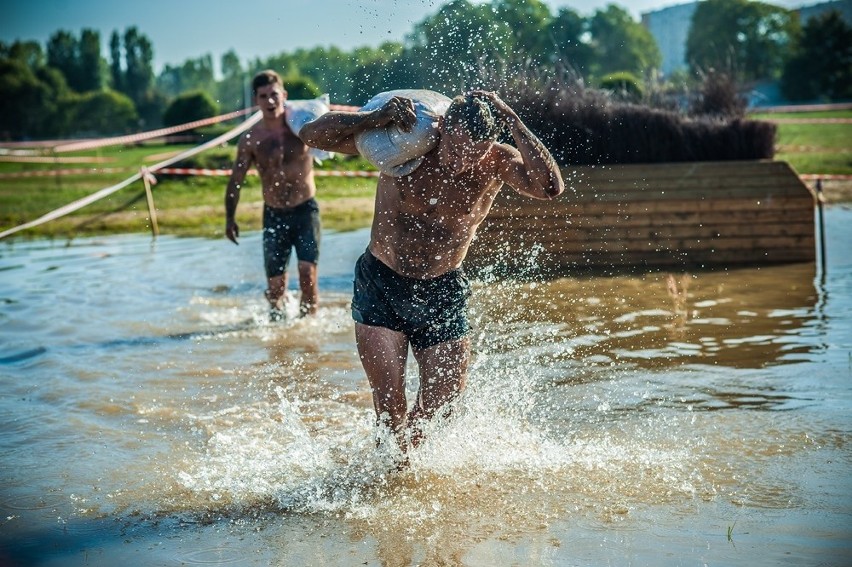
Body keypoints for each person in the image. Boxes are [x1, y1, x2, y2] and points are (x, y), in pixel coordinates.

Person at [299, 90, 564, 452]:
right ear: (443, 129)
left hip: (443, 289)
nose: (460, 162)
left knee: (444, 403)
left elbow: (550, 188)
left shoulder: (498, 161)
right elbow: (310, 136)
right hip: (382, 283)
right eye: (455, 150)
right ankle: (388, 477)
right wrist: (370, 121)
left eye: (474, 154)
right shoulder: (410, 141)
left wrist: (513, 119)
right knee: (390, 412)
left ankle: (406, 472)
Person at [225, 69, 321, 319]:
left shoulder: (302, 126)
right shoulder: (250, 139)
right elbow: (236, 180)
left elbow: (331, 136)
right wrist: (229, 218)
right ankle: (278, 328)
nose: (270, 101)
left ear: (284, 95)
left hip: (305, 211)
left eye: (274, 94)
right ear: (256, 100)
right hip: (274, 214)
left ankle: (309, 332)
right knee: (276, 287)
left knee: (307, 275)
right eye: (263, 96)